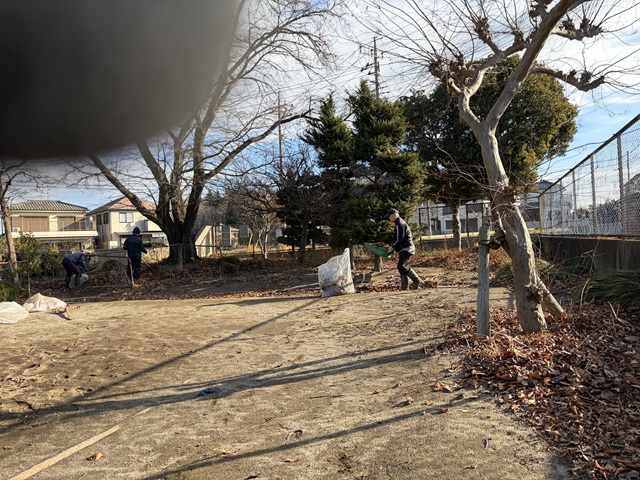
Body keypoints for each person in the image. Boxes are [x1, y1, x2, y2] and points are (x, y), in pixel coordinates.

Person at [385, 208, 421, 290]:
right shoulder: (399, 223)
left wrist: (393, 248)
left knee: (401, 266)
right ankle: (404, 287)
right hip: (404, 248)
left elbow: (399, 239)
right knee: (402, 266)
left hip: (407, 248)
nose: (389, 219)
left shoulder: (399, 224)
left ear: (393, 215)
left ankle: (416, 281)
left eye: (389, 217)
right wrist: (394, 248)